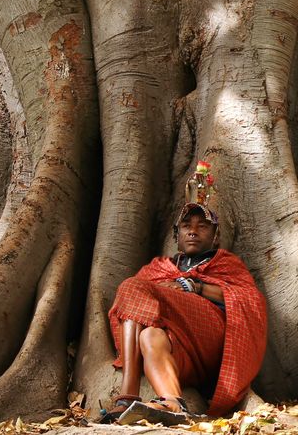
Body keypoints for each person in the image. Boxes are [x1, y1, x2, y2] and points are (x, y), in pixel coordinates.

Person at [101, 162, 267, 425]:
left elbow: (249, 301)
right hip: (180, 354)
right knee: (149, 335)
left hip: (210, 341)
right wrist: (164, 291)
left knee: (131, 287)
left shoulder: (225, 263)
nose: (193, 230)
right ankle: (173, 402)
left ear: (215, 235)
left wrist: (194, 287)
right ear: (176, 235)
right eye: (187, 225)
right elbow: (129, 310)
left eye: (202, 226)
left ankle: (127, 393)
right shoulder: (158, 269)